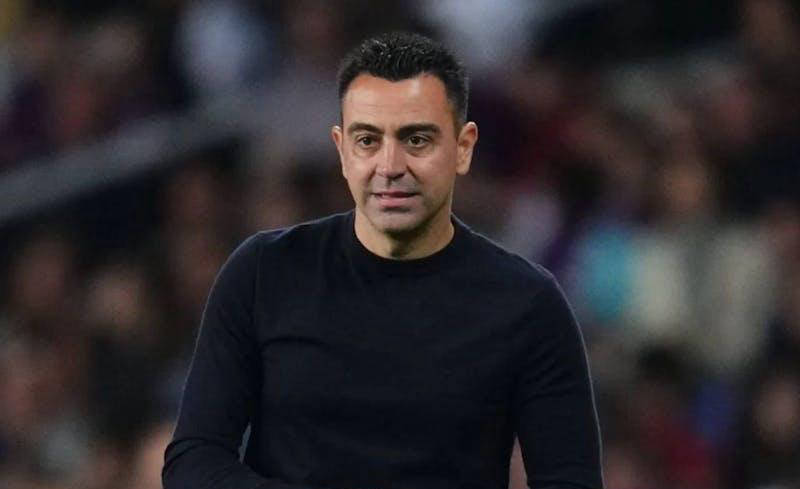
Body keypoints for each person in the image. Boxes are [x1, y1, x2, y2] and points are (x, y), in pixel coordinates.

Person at [162, 32, 603, 489]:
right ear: (341, 151)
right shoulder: (263, 273)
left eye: (417, 139)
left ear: (463, 147)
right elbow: (194, 460)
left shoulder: (528, 304)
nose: (390, 166)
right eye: (368, 140)